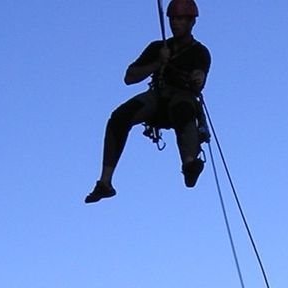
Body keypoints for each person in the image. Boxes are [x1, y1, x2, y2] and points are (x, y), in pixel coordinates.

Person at [85, 0, 211, 203]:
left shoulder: (200, 52)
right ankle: (105, 182)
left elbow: (200, 76)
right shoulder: (157, 47)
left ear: (190, 22)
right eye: (172, 19)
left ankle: (189, 163)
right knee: (119, 116)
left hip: (181, 97)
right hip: (157, 96)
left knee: (183, 109)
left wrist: (198, 77)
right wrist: (157, 63)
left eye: (179, 19)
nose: (174, 23)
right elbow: (130, 77)